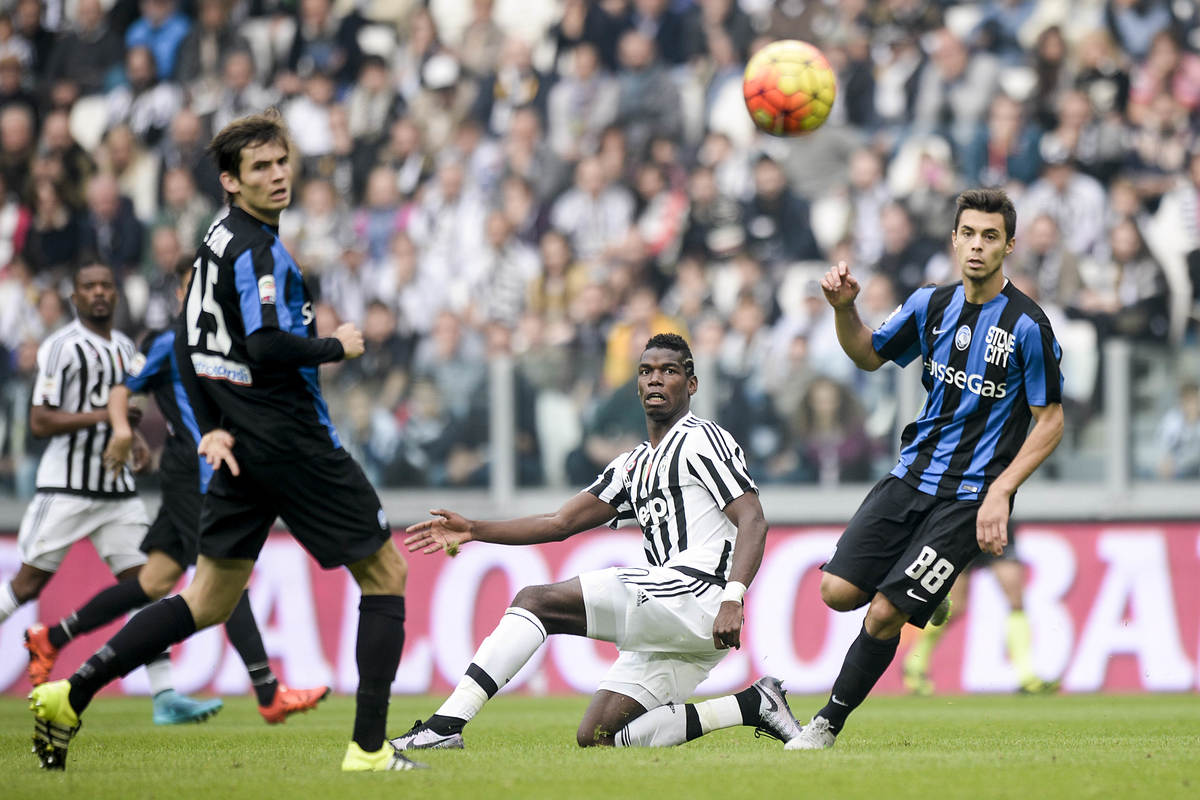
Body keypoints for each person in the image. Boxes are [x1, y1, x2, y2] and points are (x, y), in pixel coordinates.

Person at [29, 110, 418, 773]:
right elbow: (264, 345)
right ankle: (370, 750)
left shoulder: (214, 237)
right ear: (231, 181)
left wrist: (209, 423)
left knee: (206, 598)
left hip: (237, 445)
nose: (277, 175)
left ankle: (71, 693)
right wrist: (336, 346)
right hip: (292, 441)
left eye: (282, 161)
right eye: (260, 167)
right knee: (387, 573)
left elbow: (183, 340)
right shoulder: (258, 251)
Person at [392, 333, 804, 752]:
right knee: (599, 736)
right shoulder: (632, 464)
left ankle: (445, 726)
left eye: (669, 371)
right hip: (677, 619)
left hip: (698, 596)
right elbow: (560, 522)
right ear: (637, 385)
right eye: (646, 371)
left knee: (535, 601)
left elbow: (753, 519)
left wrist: (733, 598)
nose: (655, 379)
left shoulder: (702, 439)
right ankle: (753, 704)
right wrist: (475, 530)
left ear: (692, 384)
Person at [786, 188, 1064, 750]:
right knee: (836, 592)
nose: (978, 246)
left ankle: (826, 724)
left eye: (991, 236)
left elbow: (1051, 420)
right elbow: (868, 354)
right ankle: (929, 596)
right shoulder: (929, 305)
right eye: (969, 234)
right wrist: (844, 310)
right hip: (911, 474)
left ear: (1009, 246)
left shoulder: (1028, 326)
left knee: (884, 614)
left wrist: (1002, 491)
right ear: (954, 239)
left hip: (970, 496)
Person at [23, 257, 331, 724]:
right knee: (227, 581)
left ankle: (53, 637)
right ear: (182, 294)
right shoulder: (169, 341)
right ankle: (268, 690)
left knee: (152, 582)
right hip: (196, 477)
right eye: (196, 285)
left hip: (206, 475)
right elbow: (123, 390)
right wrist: (123, 432)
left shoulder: (232, 343)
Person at [0, 260, 219, 725]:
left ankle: (165, 697)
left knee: (149, 585)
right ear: (75, 296)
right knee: (27, 585)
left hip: (117, 491)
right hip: (67, 487)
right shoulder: (61, 347)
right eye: (89, 286)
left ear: (116, 295)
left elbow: (127, 411)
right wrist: (106, 418)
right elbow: (39, 420)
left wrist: (133, 440)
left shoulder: (125, 348)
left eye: (106, 285)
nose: (99, 292)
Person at [902, 520, 1060, 696]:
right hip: (964, 522)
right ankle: (915, 664)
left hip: (996, 521)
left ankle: (1027, 676)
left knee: (1016, 599)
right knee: (954, 606)